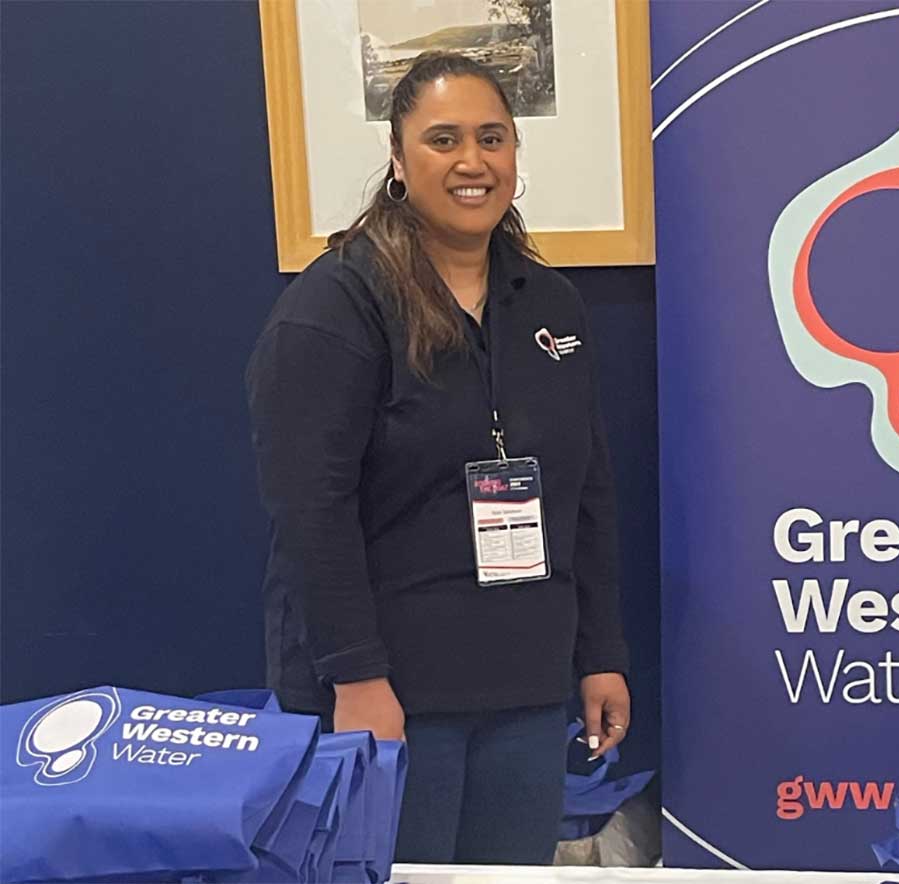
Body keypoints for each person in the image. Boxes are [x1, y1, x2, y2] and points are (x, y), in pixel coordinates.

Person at [245, 52, 631, 865]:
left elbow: (587, 491)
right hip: (386, 696)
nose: (472, 161)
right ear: (398, 160)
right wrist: (356, 678)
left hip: (525, 689)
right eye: (443, 138)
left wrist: (600, 655)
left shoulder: (549, 303)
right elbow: (311, 512)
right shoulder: (335, 308)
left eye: (492, 138)